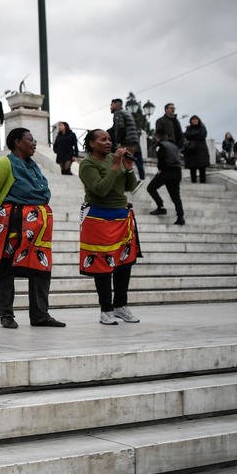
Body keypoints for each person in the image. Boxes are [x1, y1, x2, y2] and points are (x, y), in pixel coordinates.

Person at [0, 127, 64, 329]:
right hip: (11, 223)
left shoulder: (34, 166)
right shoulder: (4, 164)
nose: (34, 143)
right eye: (30, 139)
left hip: (37, 227)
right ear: (17, 142)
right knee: (5, 268)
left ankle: (40, 314)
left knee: (41, 268)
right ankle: (6, 314)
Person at [78, 129, 142, 325]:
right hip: (99, 216)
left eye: (109, 138)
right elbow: (100, 190)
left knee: (124, 263)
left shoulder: (116, 159)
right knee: (103, 265)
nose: (108, 142)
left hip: (121, 216)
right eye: (102, 139)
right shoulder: (87, 164)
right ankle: (106, 309)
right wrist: (116, 165)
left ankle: (120, 306)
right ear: (91, 143)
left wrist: (129, 167)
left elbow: (130, 187)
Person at [148, 132, 185, 226]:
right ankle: (180, 217)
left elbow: (161, 158)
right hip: (177, 171)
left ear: (157, 137)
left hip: (167, 171)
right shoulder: (173, 145)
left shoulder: (160, 145)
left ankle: (161, 207)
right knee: (176, 196)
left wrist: (160, 169)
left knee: (151, 188)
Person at [109, 98, 144, 180]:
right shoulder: (126, 112)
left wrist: (119, 142)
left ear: (116, 104)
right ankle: (142, 179)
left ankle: (127, 183)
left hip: (127, 142)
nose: (110, 107)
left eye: (111, 105)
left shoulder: (118, 113)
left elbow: (120, 128)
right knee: (137, 162)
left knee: (123, 162)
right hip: (134, 141)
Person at [183, 115, 209, 183]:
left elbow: (202, 136)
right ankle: (193, 182)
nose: (194, 121)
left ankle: (203, 183)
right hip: (191, 150)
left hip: (201, 150)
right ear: (191, 121)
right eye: (193, 119)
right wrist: (196, 134)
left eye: (196, 119)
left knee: (202, 168)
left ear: (198, 120)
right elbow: (186, 135)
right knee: (192, 168)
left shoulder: (202, 127)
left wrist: (191, 136)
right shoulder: (188, 128)